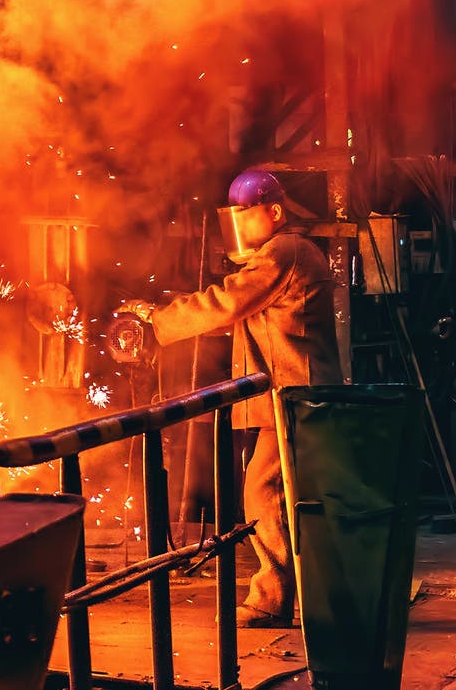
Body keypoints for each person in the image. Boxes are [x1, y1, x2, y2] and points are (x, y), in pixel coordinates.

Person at [119, 168, 341, 628]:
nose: (239, 228)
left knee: (264, 491)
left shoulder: (286, 251)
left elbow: (227, 303)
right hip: (293, 394)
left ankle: (272, 599)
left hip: (296, 394)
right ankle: (319, 595)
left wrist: (159, 323)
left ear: (274, 212)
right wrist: (164, 308)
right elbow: (234, 313)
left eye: (246, 215)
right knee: (292, 497)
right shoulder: (280, 257)